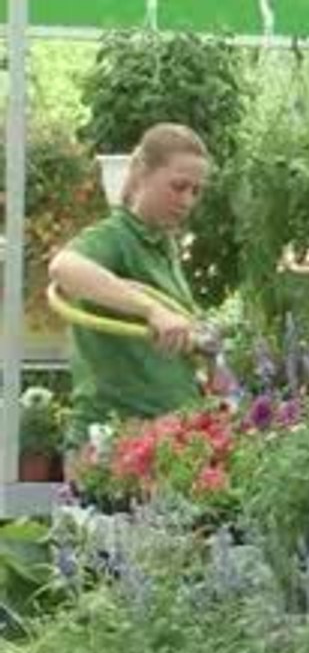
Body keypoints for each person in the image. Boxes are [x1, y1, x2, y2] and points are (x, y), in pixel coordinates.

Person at [49, 122, 209, 467]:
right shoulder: (117, 237)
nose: (187, 201)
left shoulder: (163, 248)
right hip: (114, 444)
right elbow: (64, 267)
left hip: (167, 440)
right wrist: (153, 310)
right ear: (142, 174)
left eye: (196, 191)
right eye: (178, 186)